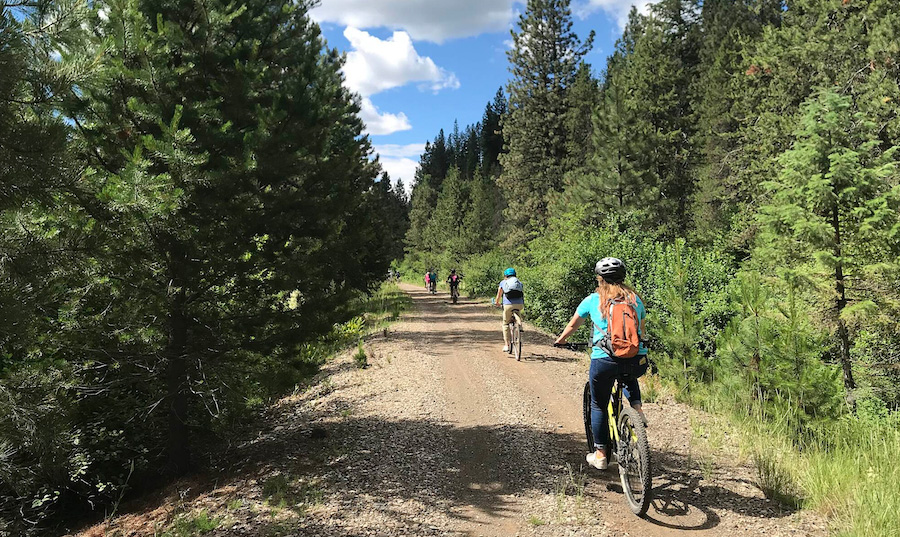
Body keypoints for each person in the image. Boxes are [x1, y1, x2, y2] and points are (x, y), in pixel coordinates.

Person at [554, 257, 649, 471]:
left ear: (600, 279)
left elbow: (572, 325)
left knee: (598, 404)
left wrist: (560, 341)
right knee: (628, 372)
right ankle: (637, 409)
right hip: (636, 359)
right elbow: (641, 330)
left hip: (604, 359)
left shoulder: (592, 300)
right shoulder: (635, 299)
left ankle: (600, 454)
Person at [494, 267, 524, 353]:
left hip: (508, 305)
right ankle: (519, 324)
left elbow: (499, 294)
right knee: (517, 311)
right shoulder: (519, 283)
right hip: (520, 304)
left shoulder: (503, 282)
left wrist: (497, 302)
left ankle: (507, 345)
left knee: (505, 323)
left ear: (505, 276)